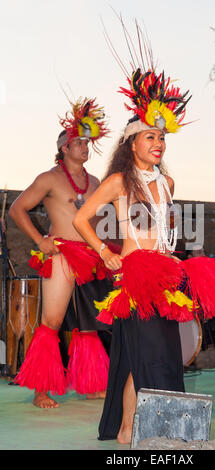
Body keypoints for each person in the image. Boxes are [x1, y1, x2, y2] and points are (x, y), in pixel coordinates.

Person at [73, 29, 215, 444]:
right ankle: (132, 426)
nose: (159, 142)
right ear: (132, 143)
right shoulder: (117, 180)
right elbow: (81, 220)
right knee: (146, 354)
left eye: (162, 136)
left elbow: (164, 231)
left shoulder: (166, 182)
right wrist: (104, 252)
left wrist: (177, 256)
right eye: (151, 136)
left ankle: (141, 425)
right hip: (133, 273)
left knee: (155, 356)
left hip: (164, 274)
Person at [9, 98, 111, 408]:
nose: (84, 146)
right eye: (77, 142)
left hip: (90, 257)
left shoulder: (95, 182)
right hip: (62, 255)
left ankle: (90, 385)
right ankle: (40, 389)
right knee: (51, 322)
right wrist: (40, 239)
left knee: (89, 323)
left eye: (86, 141)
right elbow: (17, 209)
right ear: (64, 148)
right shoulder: (49, 179)